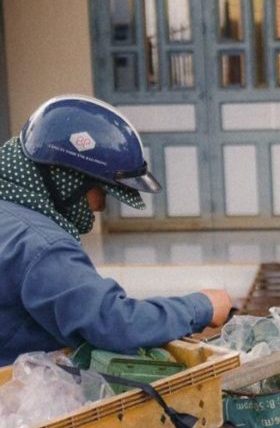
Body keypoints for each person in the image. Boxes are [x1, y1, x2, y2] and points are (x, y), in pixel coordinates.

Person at [0, 94, 231, 367]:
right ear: (68, 181)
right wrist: (202, 306)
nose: (100, 207)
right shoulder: (40, 246)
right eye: (103, 192)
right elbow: (113, 324)